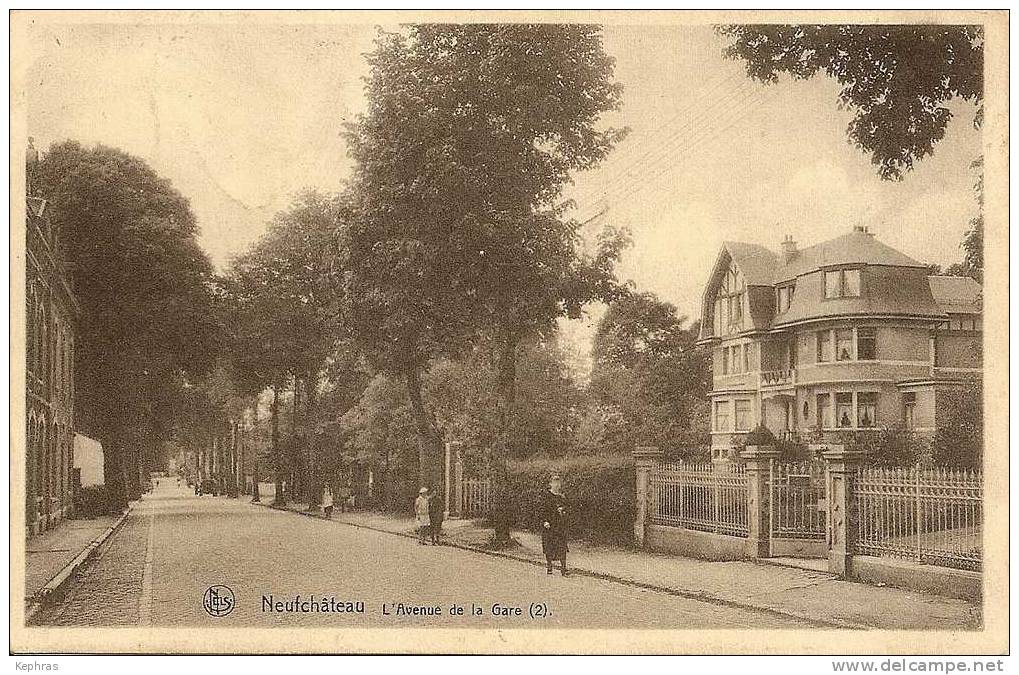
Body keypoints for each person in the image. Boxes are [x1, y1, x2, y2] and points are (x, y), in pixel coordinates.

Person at [541, 474, 569, 576]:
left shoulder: (562, 496)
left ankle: (563, 568)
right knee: (549, 546)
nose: (557, 485)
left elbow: (568, 508)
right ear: (550, 484)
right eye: (555, 483)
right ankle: (549, 566)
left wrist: (564, 511)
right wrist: (545, 521)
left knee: (562, 546)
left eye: (558, 483)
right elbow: (542, 510)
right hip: (550, 525)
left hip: (560, 525)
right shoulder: (546, 496)